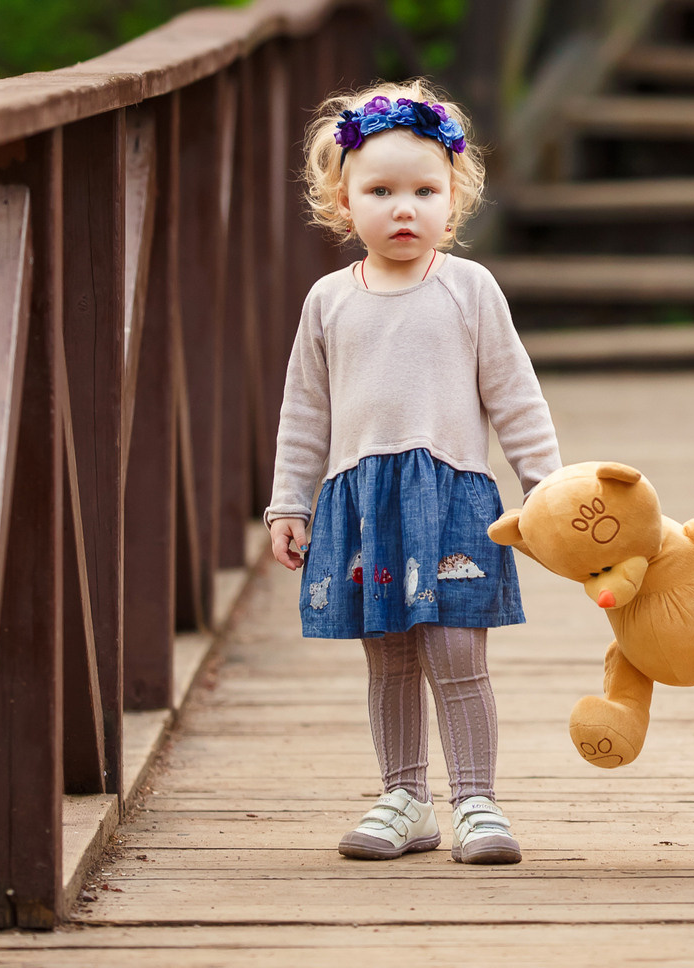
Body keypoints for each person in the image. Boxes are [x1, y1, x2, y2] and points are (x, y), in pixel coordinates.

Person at [265, 80, 560, 866]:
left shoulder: (469, 288)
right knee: (389, 653)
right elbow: (305, 414)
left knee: (458, 653)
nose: (405, 209)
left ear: (454, 195)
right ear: (343, 197)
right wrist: (287, 504)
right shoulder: (328, 301)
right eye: (382, 191)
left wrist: (549, 488)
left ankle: (476, 801)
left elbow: (515, 396)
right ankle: (404, 796)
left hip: (453, 495)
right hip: (363, 503)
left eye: (425, 191)